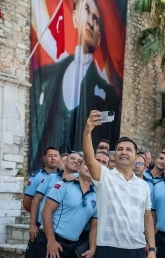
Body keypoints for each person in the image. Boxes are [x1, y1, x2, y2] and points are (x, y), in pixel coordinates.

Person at [30, 0, 119, 171]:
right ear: (74, 18)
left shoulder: (108, 93)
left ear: (100, 37)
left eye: (96, 19)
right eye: (86, 10)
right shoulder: (48, 75)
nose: (91, 22)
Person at [83, 110, 157, 258]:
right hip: (109, 247)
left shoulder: (144, 185)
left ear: (136, 156)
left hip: (137, 249)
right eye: (120, 149)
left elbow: (148, 219)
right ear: (113, 156)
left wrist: (152, 249)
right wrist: (88, 130)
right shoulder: (105, 176)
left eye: (129, 149)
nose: (124, 152)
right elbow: (89, 160)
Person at [36, 159, 97, 258]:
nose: (90, 168)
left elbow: (94, 226)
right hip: (52, 239)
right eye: (87, 164)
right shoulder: (64, 184)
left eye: (93, 166)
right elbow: (46, 211)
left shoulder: (97, 194)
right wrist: (51, 241)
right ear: (78, 168)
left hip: (73, 246)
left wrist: (92, 249)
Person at [22, 146, 61, 258]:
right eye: (50, 156)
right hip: (40, 225)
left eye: (56, 155)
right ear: (44, 158)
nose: (53, 158)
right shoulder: (37, 176)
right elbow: (28, 202)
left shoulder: (65, 177)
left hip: (57, 227)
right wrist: (37, 220)